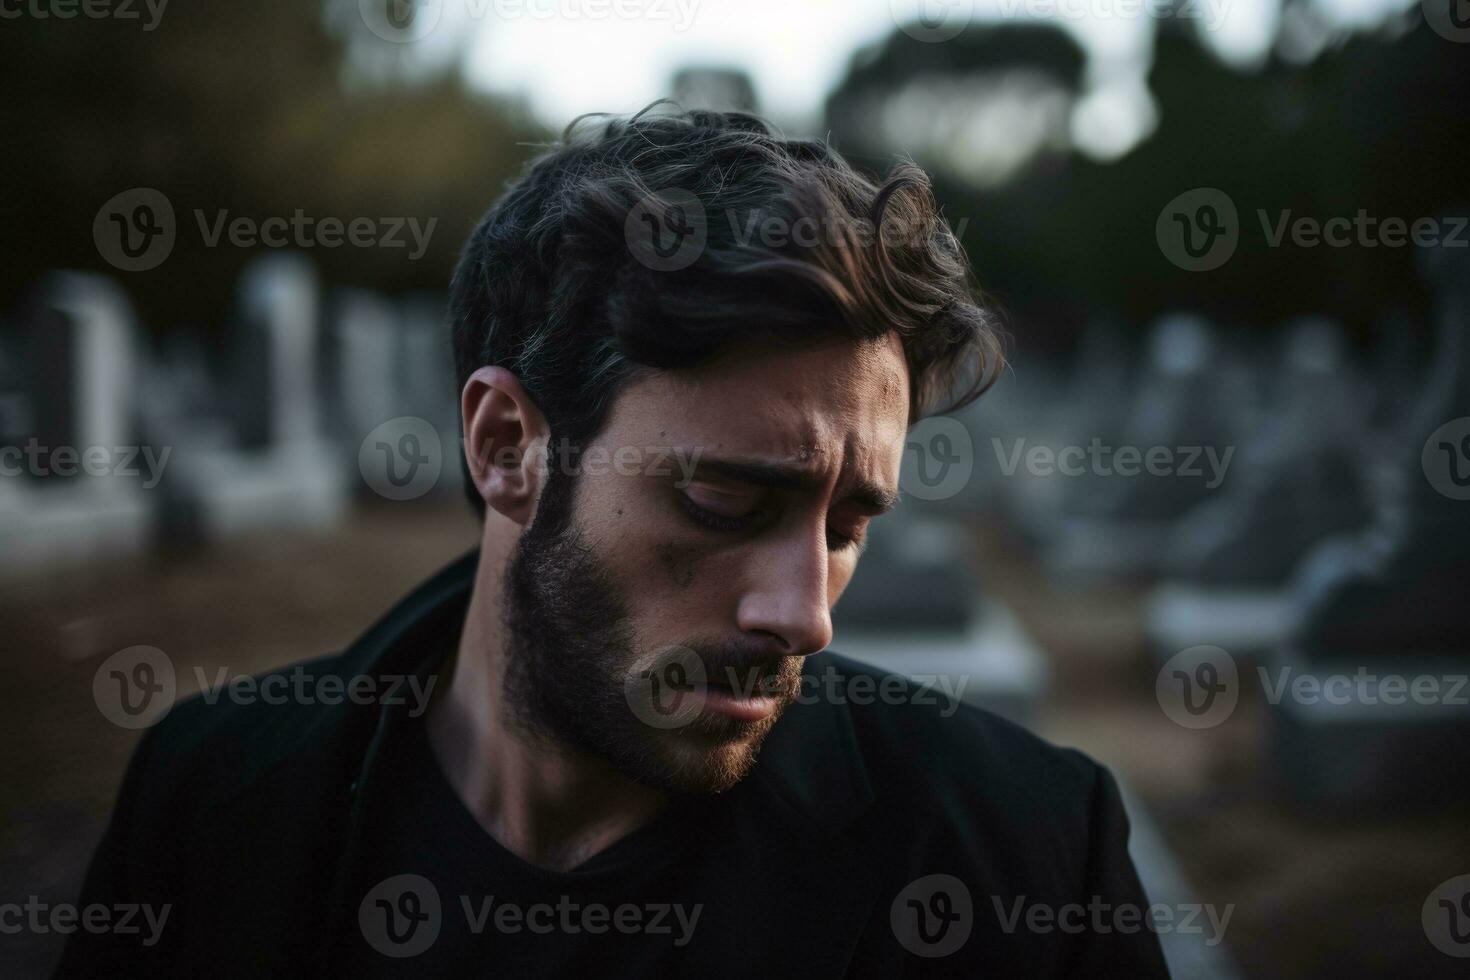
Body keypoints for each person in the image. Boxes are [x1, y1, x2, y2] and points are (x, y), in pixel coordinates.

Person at [58, 104, 1170, 978]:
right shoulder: (210, 799)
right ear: (508, 446)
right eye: (729, 502)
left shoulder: (1024, 857)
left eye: (845, 525)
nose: (805, 614)